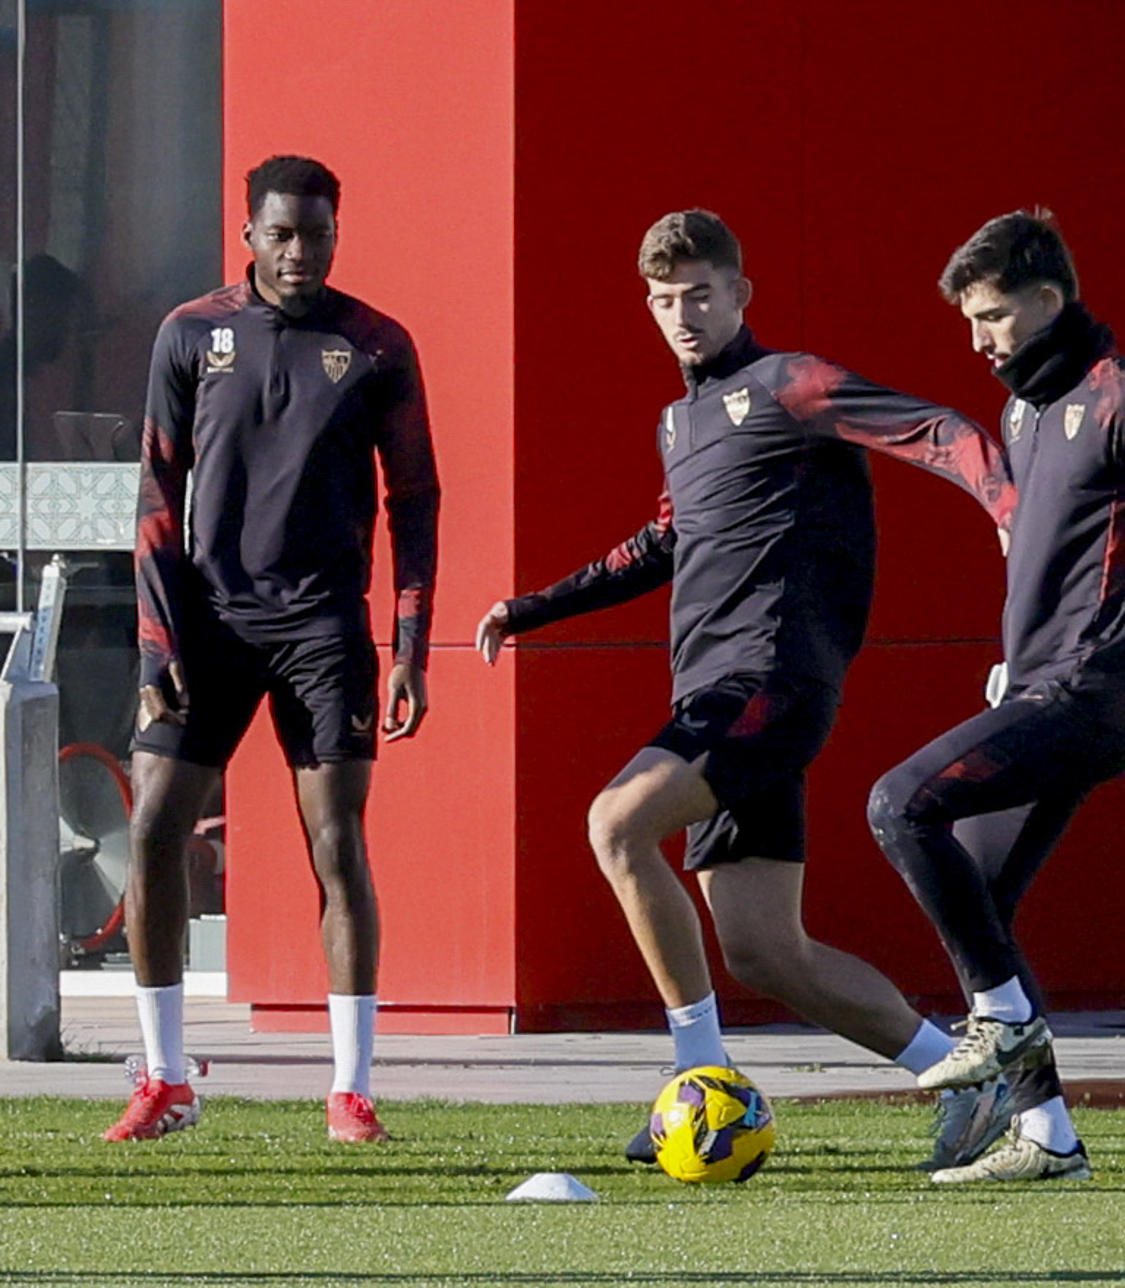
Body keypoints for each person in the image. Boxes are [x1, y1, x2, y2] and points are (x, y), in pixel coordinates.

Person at [474, 209, 1015, 1169]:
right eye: (665, 300)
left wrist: (1005, 502)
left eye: (701, 295)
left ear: (740, 294)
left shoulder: (790, 385)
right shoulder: (678, 421)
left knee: (615, 824)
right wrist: (534, 608)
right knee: (768, 953)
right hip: (718, 693)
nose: (683, 315)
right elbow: (663, 543)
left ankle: (698, 1081)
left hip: (770, 681)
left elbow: (938, 428)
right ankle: (975, 1082)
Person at [866, 209, 1125, 1184]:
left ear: (1050, 300)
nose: (979, 339)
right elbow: (1055, 560)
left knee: (900, 802)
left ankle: (998, 1024)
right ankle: (1049, 1139)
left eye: (994, 316)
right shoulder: (1023, 411)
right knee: (978, 896)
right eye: (971, 320)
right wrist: (1009, 661)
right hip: (1041, 684)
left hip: (1094, 697)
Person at [112, 155, 440, 1143]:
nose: (301, 252)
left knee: (336, 845)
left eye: (319, 234)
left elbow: (416, 500)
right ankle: (166, 1078)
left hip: (322, 625)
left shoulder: (377, 344)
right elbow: (157, 493)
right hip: (204, 621)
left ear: (338, 234)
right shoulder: (189, 333)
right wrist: (154, 642)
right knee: (155, 829)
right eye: (283, 234)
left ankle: (351, 1092)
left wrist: (411, 646)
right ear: (249, 233)